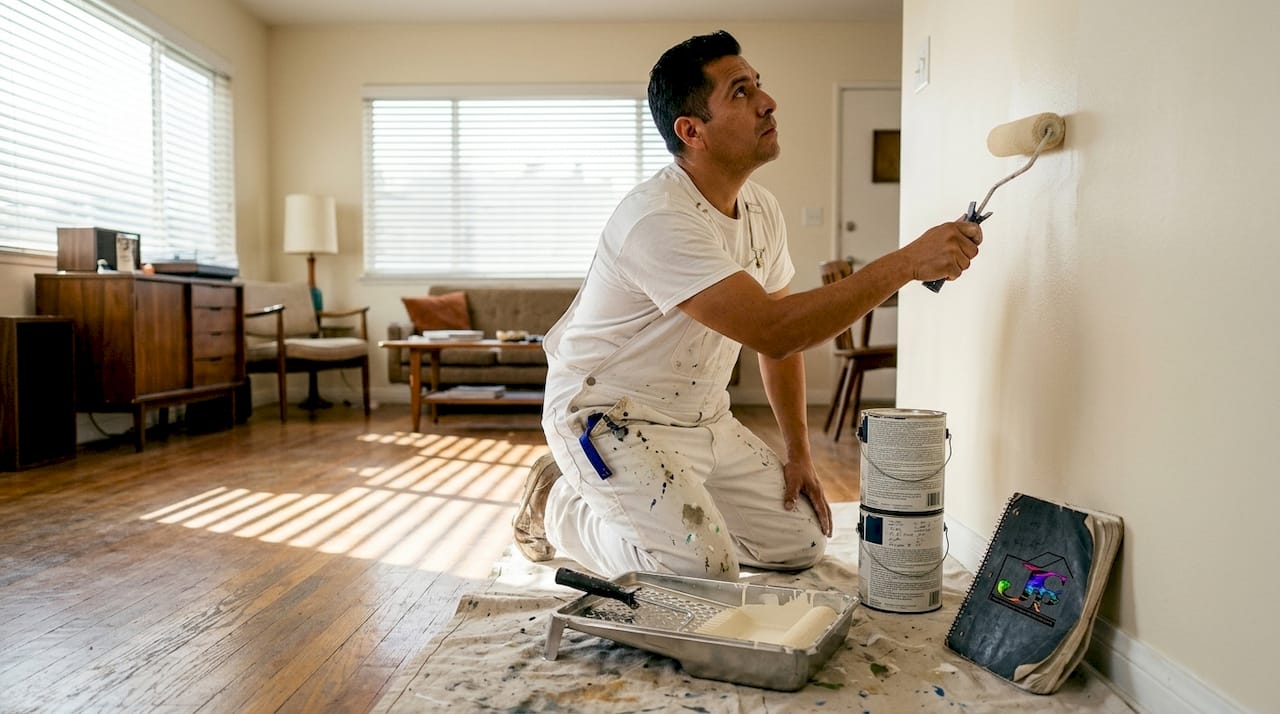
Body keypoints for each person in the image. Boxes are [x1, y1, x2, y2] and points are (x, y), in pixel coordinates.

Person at [512, 30, 981, 580]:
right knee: (703, 578)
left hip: (704, 418)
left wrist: (799, 452)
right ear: (692, 131)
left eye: (758, 84)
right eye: (740, 92)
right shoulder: (657, 219)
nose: (767, 101)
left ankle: (669, 522)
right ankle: (558, 504)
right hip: (610, 420)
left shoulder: (760, 209)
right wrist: (905, 264)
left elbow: (782, 344)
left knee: (803, 544)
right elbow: (776, 331)